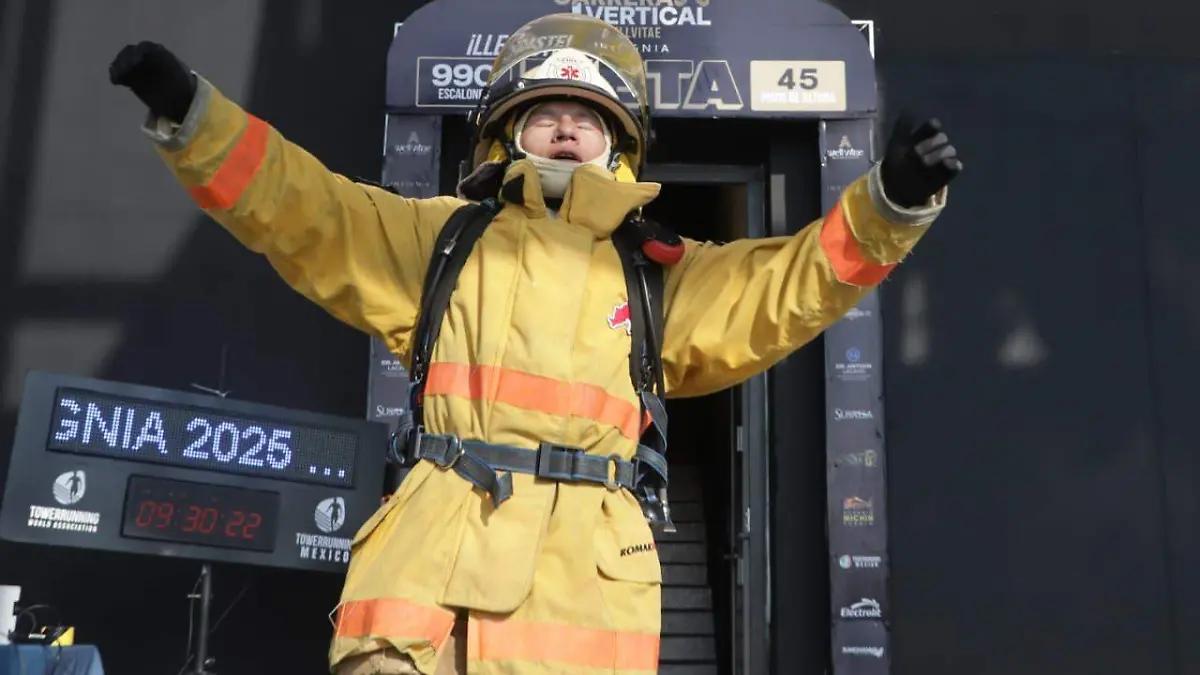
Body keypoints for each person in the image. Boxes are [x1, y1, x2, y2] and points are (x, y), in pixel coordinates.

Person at [110, 13, 960, 675]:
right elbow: (306, 210)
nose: (563, 127)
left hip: (581, 598)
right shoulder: (437, 241)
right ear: (504, 135)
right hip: (424, 601)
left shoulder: (659, 274)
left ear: (617, 144)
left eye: (584, 117)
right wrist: (193, 116)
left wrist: (890, 203)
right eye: (544, 112)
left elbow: (785, 285)